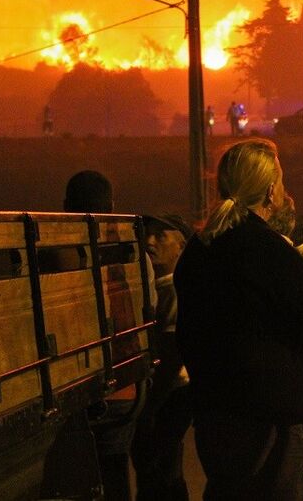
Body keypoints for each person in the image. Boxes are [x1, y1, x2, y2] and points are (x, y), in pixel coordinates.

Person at [174, 139, 303, 500]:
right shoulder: (269, 250)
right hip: (274, 417)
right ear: (268, 190)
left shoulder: (200, 249)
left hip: (216, 411)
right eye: (280, 180)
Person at [61, 170, 150, 501]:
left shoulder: (58, 253)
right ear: (112, 205)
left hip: (75, 389)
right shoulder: (131, 250)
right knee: (114, 472)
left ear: (66, 207)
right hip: (125, 385)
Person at [131, 214, 195, 501]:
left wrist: (149, 407)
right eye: (148, 233)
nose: (149, 241)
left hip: (172, 393)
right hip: (168, 393)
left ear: (180, 245)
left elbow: (173, 353)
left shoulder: (176, 290)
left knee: (158, 469)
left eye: (160, 235)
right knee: (163, 467)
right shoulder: (159, 286)